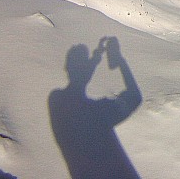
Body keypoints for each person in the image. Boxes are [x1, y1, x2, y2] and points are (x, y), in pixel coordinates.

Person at [48, 37, 142, 179]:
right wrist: (120, 61)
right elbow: (135, 97)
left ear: (67, 68)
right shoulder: (98, 112)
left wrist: (95, 58)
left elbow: (77, 83)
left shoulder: (56, 101)